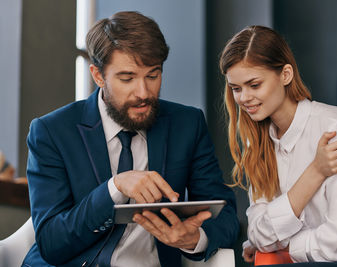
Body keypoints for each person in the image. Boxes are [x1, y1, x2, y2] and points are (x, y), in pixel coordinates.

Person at [22, 11, 239, 267]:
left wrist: (194, 239)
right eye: (127, 78)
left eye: (153, 75)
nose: (143, 92)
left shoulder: (187, 124)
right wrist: (114, 188)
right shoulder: (52, 132)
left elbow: (225, 216)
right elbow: (51, 242)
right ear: (98, 75)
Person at [219, 25, 337, 266]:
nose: (243, 98)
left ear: (285, 75)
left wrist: (285, 245)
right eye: (236, 89)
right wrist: (315, 171)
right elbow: (259, 235)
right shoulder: (257, 143)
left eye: (254, 85)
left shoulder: (335, 128)